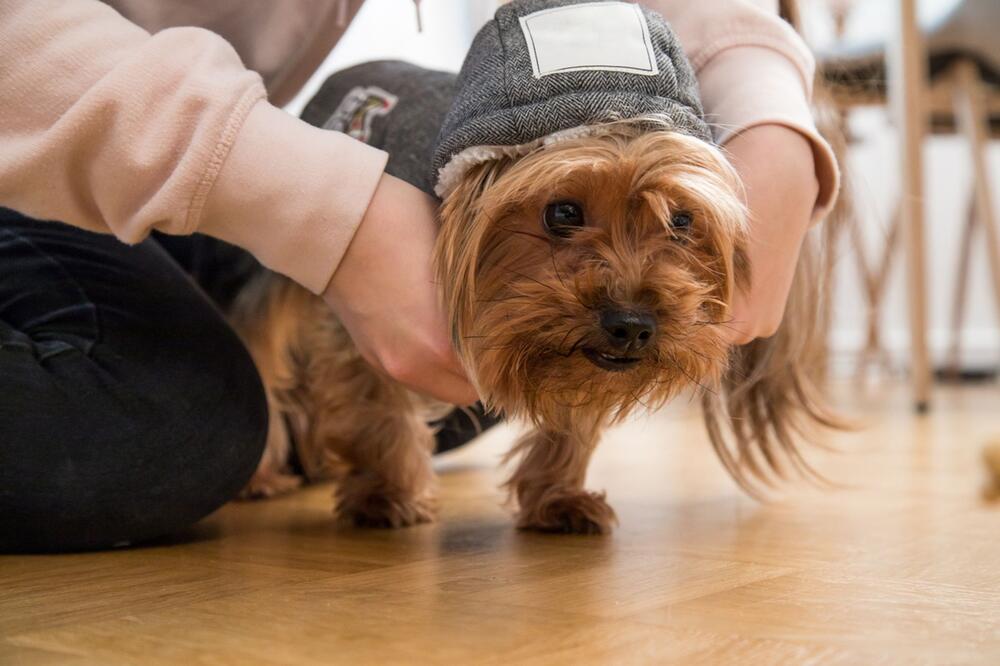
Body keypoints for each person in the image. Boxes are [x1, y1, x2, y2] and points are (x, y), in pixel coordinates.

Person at [0, 0, 838, 552]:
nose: (627, 283)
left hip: (167, 152)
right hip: (33, 133)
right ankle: (281, 421)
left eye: (677, 225)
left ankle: (308, 417)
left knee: (489, 371)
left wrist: (764, 101)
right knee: (185, 427)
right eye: (562, 218)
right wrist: (331, 221)